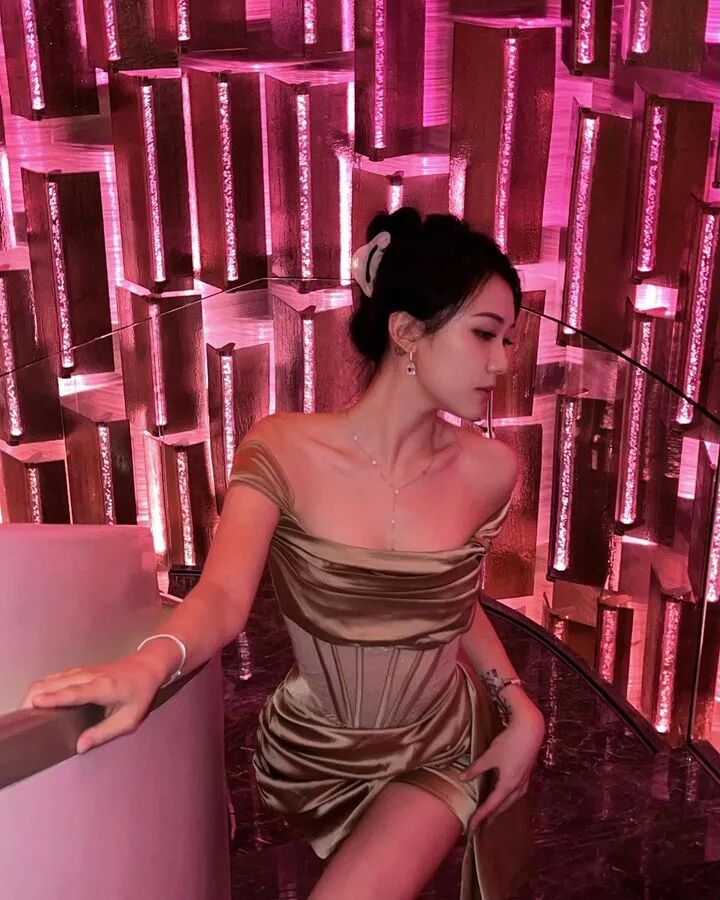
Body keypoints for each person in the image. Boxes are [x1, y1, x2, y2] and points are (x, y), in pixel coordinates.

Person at [20, 207, 545, 899]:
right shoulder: (284, 449)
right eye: (484, 333)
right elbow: (221, 595)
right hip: (315, 751)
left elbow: (452, 599)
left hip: (438, 743)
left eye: (507, 339)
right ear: (406, 331)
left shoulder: (491, 470)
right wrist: (149, 663)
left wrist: (518, 705)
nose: (502, 362)